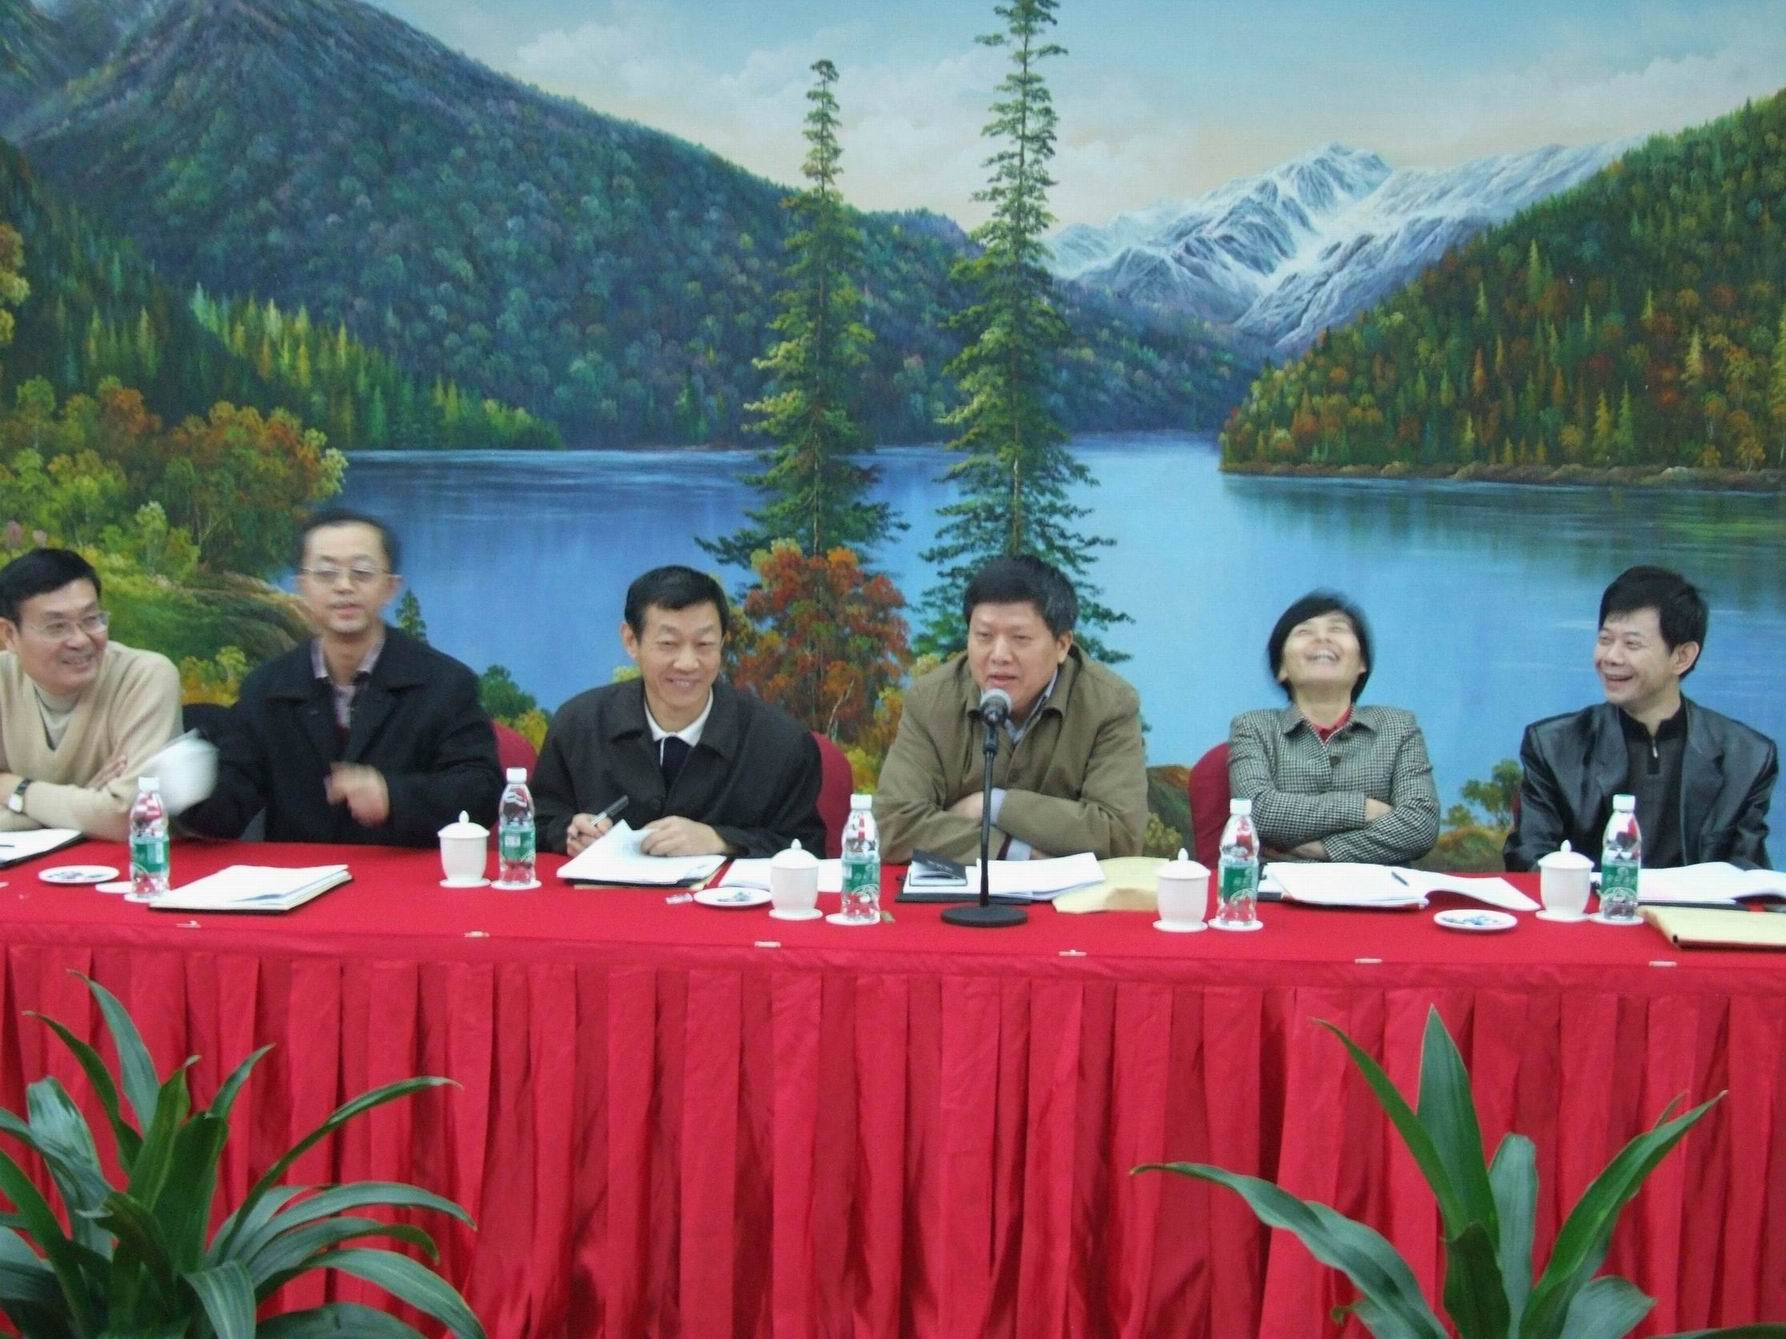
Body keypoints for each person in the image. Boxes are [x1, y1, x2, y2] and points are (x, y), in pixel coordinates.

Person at [183, 509, 502, 845]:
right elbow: (231, 807)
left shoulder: (445, 684)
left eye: (362, 572)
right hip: (301, 875)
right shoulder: (266, 689)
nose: (344, 587)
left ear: (390, 587)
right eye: (326, 573)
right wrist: (187, 790)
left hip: (403, 871)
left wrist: (393, 796)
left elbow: (480, 792)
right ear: (302, 587)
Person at [533, 565, 823, 858]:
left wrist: (721, 841)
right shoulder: (579, 725)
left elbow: (808, 848)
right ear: (631, 641)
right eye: (669, 644)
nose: (687, 663)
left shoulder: (781, 743)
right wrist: (568, 833)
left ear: (723, 643)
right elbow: (535, 824)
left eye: (704, 644)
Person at [875, 555, 1146, 863]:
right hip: (962, 891)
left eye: (1020, 638)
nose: (999, 655)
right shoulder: (931, 701)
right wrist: (1013, 852)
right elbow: (893, 826)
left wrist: (993, 805)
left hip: (1076, 894)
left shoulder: (1109, 705)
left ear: (1062, 645)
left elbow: (1119, 836)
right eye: (984, 636)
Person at [1505, 566, 1776, 871]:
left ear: (1682, 657)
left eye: (1632, 644)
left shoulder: (1746, 758)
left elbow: (1747, 876)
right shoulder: (1554, 746)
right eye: (1605, 639)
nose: (1611, 657)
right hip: (1588, 901)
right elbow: (1529, 859)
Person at [1228, 591, 1439, 866]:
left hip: (1378, 890)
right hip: (1282, 889)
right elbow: (1258, 811)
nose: (1322, 638)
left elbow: (1420, 825)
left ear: (1362, 663)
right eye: (1304, 631)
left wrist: (1323, 849)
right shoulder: (1253, 727)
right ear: (1281, 668)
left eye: (1337, 629)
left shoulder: (1398, 727)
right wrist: (1363, 809)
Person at [0, 549, 181, 841]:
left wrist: (15, 789)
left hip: (128, 864)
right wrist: (88, 801)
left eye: (91, 619)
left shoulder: (145, 677)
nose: (80, 639)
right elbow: (108, 813)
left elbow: (130, 816)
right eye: (57, 627)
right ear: (9, 634)